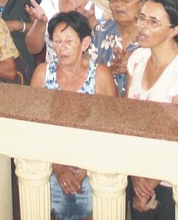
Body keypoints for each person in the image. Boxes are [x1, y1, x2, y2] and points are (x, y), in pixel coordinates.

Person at [30, 11, 116, 220]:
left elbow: (111, 127)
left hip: (91, 164)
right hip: (50, 160)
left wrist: (86, 167)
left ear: (85, 42)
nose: (61, 47)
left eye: (69, 41)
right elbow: (32, 126)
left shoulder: (100, 75)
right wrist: (58, 166)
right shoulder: (43, 73)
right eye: (57, 41)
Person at [126, 0, 178, 217]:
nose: (143, 27)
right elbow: (129, 119)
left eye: (153, 22)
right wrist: (136, 174)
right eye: (141, 18)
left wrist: (149, 183)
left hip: (169, 177)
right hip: (138, 169)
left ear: (174, 30)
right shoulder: (137, 59)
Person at [87, 0, 165, 96]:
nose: (118, 4)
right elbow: (86, 74)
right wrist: (108, 72)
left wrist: (135, 69)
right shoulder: (101, 31)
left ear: (143, 3)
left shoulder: (156, 35)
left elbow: (165, 80)